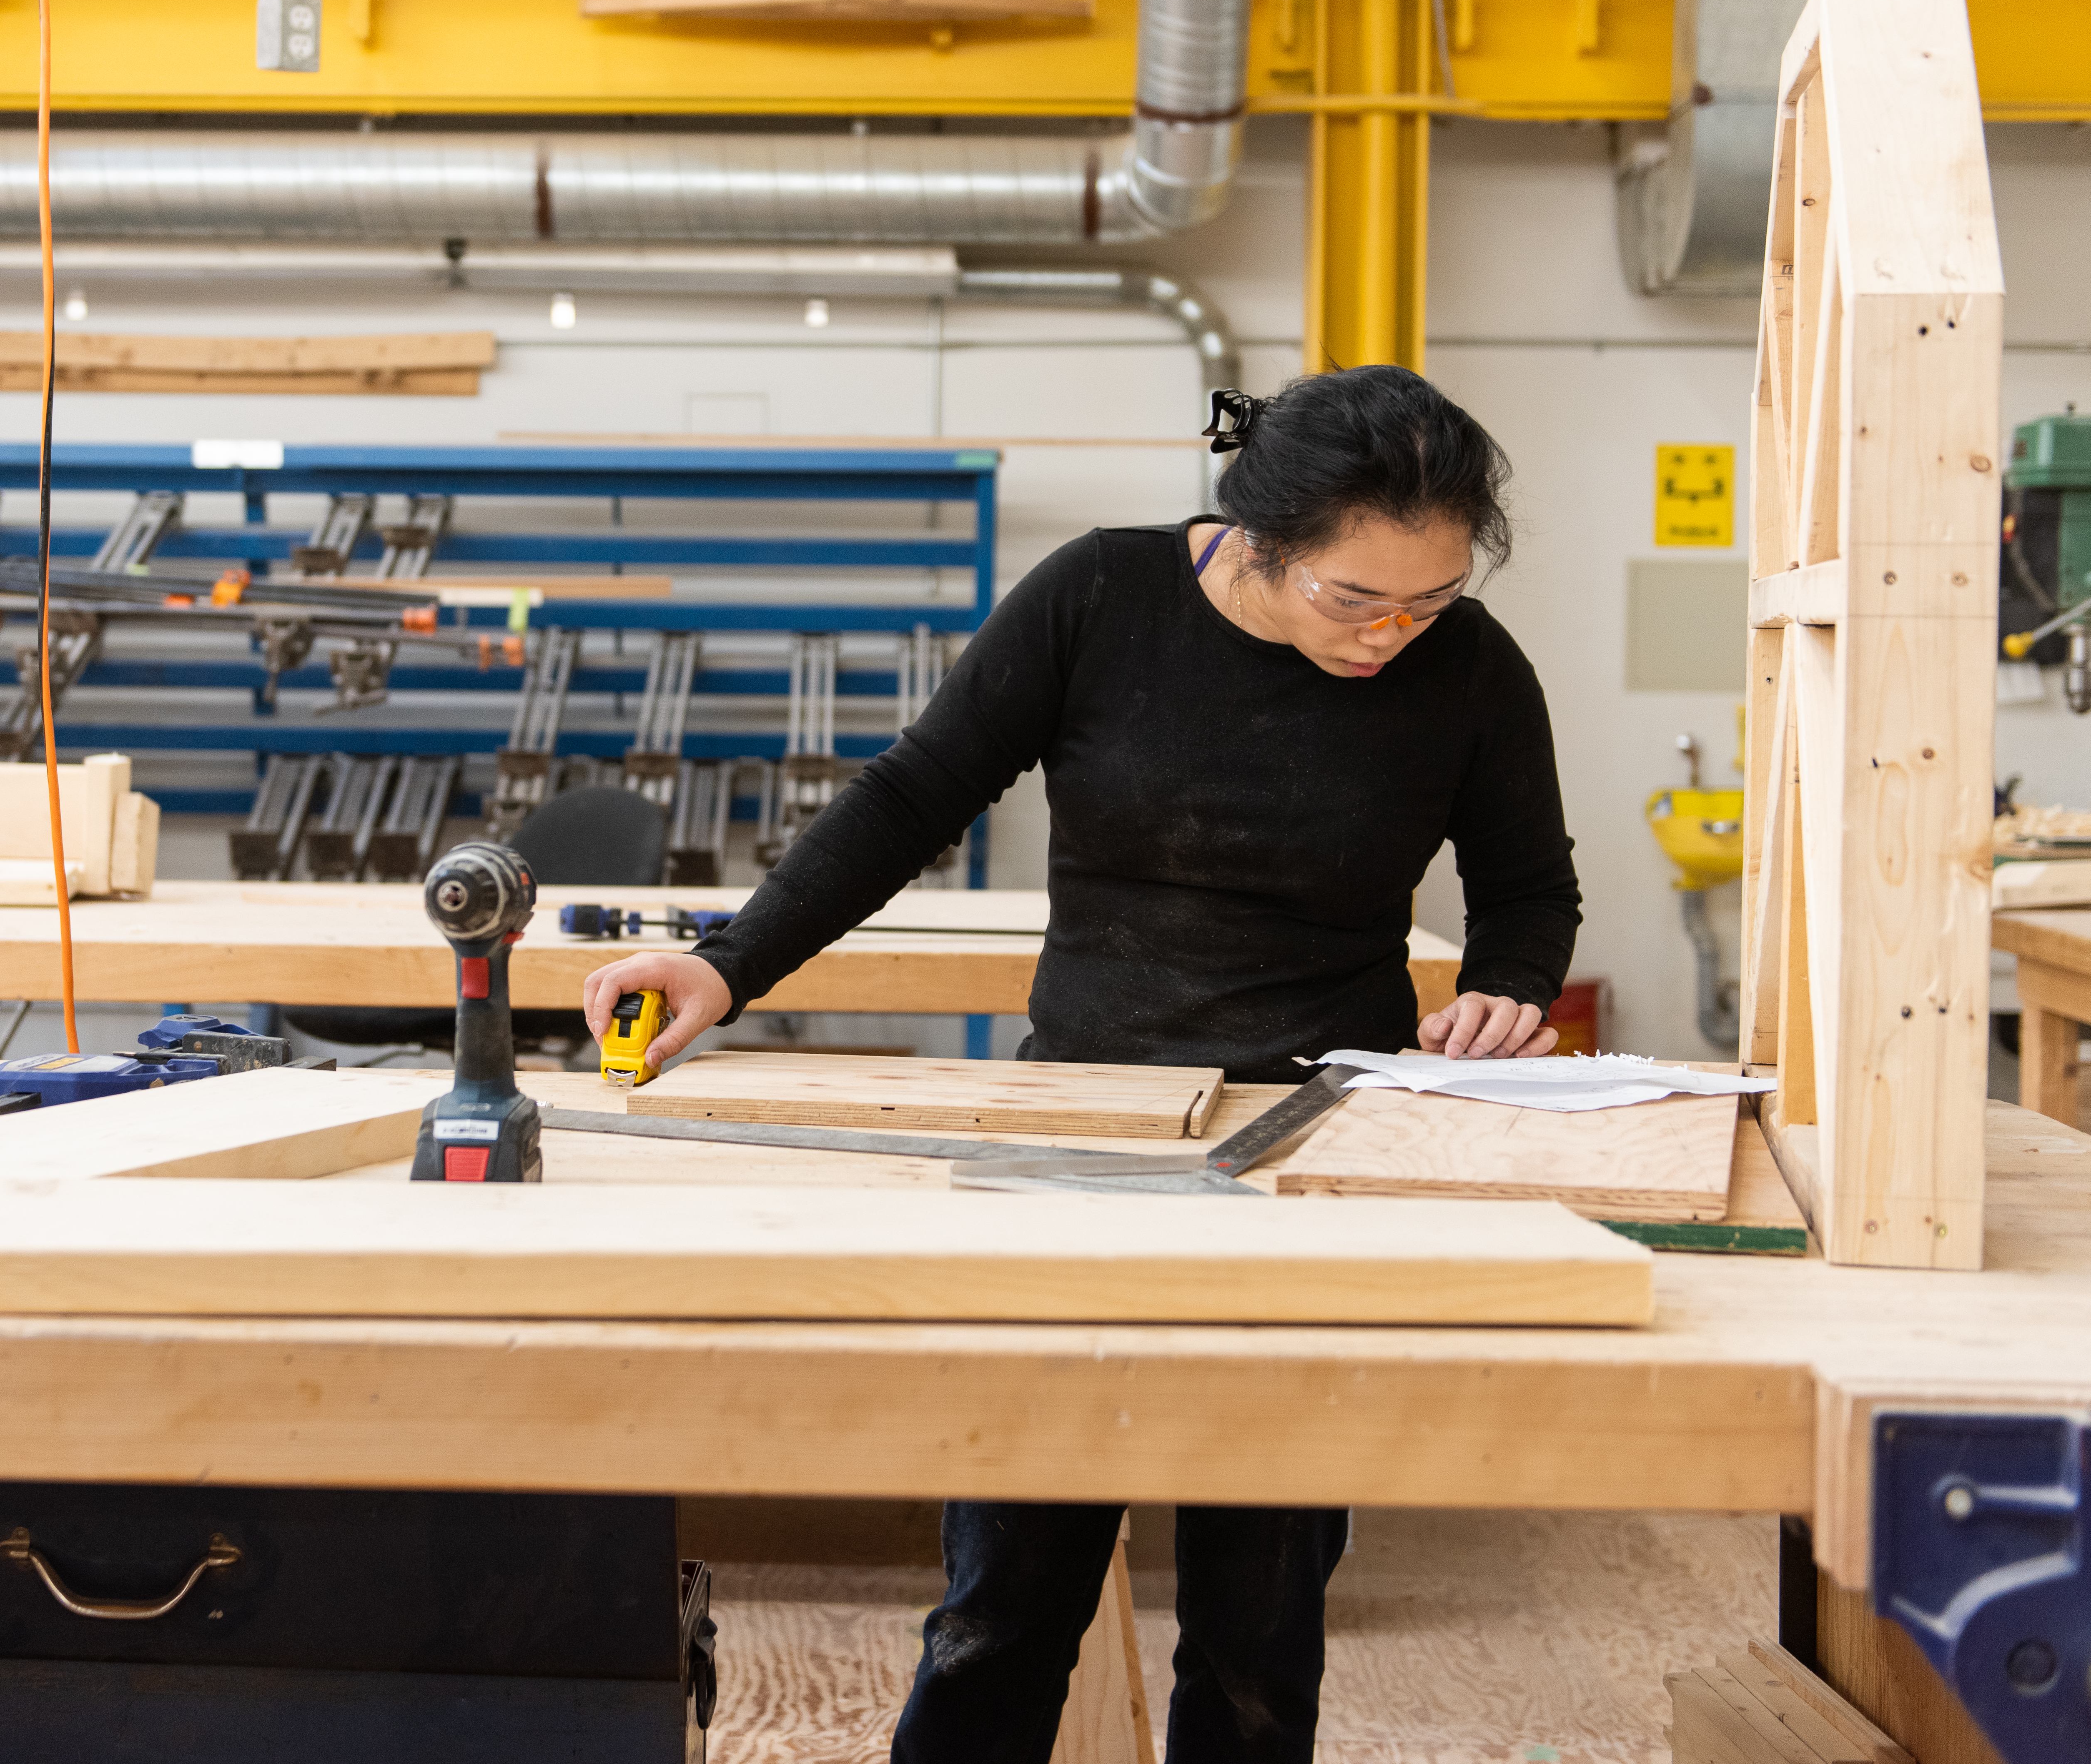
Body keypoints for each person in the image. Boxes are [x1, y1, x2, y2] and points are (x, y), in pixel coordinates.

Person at [579, 363, 1582, 1764]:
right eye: (1356, 600)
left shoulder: (1467, 666)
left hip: (1307, 1145)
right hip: (1075, 1130)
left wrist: (1503, 991)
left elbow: (1529, 889)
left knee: (1260, 1625)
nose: (1393, 634)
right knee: (1003, 1600)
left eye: (1428, 599)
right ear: (1255, 539)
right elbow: (909, 795)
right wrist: (727, 960)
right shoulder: (1100, 598)